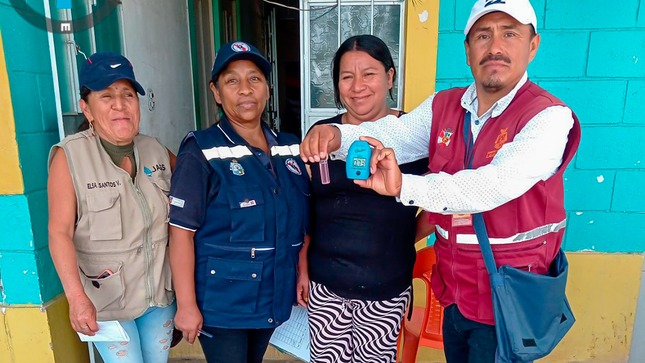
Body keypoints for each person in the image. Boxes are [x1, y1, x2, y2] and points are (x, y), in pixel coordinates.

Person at [299, 0, 582, 362]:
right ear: (467, 50)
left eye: (509, 33)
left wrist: (404, 187)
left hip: (507, 300)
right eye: (483, 35)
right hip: (455, 297)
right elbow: (395, 133)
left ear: (532, 45)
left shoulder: (548, 117)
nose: (495, 46)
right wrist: (337, 136)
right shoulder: (445, 107)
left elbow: (491, 185)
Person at [168, 41, 310, 363]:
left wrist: (301, 270)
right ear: (216, 92)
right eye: (232, 81)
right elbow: (180, 234)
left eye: (254, 79)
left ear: (268, 90)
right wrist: (187, 305)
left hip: (273, 293)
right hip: (223, 303)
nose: (245, 89)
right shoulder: (200, 150)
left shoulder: (289, 148)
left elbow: (300, 222)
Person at [296, 34, 430, 363]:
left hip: (386, 287)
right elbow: (307, 208)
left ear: (390, 76)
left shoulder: (413, 134)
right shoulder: (322, 135)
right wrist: (302, 268)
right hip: (325, 286)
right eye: (346, 76)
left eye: (368, 73)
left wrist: (407, 237)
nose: (358, 87)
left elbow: (438, 199)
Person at [48, 52, 177, 363]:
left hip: (158, 296)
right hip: (105, 300)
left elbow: (201, 191)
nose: (120, 105)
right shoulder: (70, 158)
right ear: (86, 107)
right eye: (107, 96)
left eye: (127, 95)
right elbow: (59, 231)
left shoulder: (156, 149)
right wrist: (76, 298)